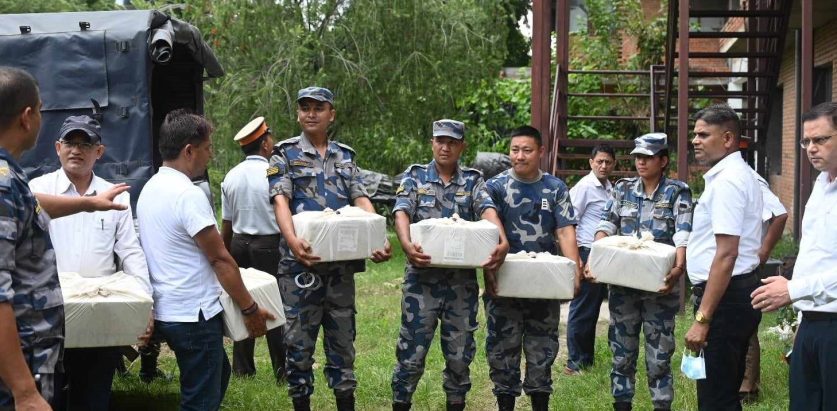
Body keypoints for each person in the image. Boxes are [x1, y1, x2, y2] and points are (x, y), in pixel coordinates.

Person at [0, 66, 129, 411]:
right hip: (19, 361)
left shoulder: (11, 179)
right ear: (27, 117)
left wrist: (88, 204)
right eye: (40, 110)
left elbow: (29, 205)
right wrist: (24, 390)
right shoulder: (3, 182)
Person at [137, 109, 274, 411]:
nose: (210, 155)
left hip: (168, 309)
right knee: (200, 401)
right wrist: (250, 309)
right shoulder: (188, 194)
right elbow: (221, 260)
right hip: (193, 315)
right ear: (189, 150)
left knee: (218, 373)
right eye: (208, 148)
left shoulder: (150, 188)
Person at [267, 87, 391, 411]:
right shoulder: (283, 154)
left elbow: (360, 198)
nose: (311, 113)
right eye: (305, 108)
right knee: (298, 345)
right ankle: (301, 402)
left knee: (343, 343)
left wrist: (377, 234)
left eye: (318, 108)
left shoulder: (345, 156)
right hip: (300, 268)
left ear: (331, 114)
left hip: (340, 270)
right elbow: (280, 200)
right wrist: (293, 241)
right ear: (298, 114)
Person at [28, 115, 153, 411]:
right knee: (49, 398)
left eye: (86, 143)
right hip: (49, 315)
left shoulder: (115, 195)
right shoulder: (37, 191)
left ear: (100, 151)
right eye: (70, 142)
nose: (77, 150)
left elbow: (131, 253)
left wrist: (146, 306)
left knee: (94, 397)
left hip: (100, 313)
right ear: (58, 147)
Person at [390, 119, 508, 411]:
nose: (445, 147)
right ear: (432, 143)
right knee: (411, 354)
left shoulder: (472, 180)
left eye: (452, 142)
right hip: (422, 282)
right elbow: (402, 212)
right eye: (440, 141)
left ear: (462, 146)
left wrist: (502, 241)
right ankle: (400, 402)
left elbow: (487, 211)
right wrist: (405, 244)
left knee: (459, 357)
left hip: (460, 286)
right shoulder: (414, 177)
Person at [481, 126, 580, 411]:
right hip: (504, 284)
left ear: (540, 152)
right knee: (502, 352)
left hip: (543, 285)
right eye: (514, 150)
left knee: (542, 352)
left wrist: (574, 271)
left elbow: (564, 232)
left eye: (526, 150)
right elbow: (488, 230)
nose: (520, 156)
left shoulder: (555, 188)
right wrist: (489, 274)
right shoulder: (495, 187)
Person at [592, 133, 692, 411]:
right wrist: (594, 259)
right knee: (621, 352)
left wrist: (679, 268)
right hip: (623, 286)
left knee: (659, 355)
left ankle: (661, 404)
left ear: (663, 161)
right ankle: (621, 404)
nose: (641, 162)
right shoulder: (623, 189)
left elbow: (682, 233)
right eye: (637, 157)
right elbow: (607, 224)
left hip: (659, 285)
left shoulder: (677, 191)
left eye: (647, 157)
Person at [750, 101, 837, 410]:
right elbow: (819, 254)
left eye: (821, 139)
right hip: (813, 321)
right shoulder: (821, 184)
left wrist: (792, 290)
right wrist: (802, 314)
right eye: (806, 141)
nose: (811, 148)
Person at [684, 104, 763, 410]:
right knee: (722, 392)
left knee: (717, 398)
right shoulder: (734, 175)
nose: (695, 141)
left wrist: (703, 319)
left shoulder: (729, 181)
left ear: (728, 138)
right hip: (730, 294)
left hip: (725, 299)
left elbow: (727, 254)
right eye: (694, 134)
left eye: (704, 134)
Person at [221, 117, 286, 382]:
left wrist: (224, 255)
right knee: (274, 304)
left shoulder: (231, 176)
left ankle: (243, 368)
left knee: (243, 301)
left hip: (239, 244)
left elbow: (226, 222)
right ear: (265, 144)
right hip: (268, 245)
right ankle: (282, 370)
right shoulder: (272, 173)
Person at [738, 167, 787, 403]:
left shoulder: (749, 177)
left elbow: (780, 214)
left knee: (745, 325)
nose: (697, 142)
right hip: (729, 265)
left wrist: (763, 252)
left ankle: (748, 389)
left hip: (744, 265)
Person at [565, 143, 615, 375]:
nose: (603, 166)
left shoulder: (608, 188)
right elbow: (569, 222)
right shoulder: (585, 187)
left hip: (602, 253)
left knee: (592, 308)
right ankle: (574, 363)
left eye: (608, 162)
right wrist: (576, 258)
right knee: (583, 307)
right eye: (599, 161)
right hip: (586, 251)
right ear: (591, 163)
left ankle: (586, 360)